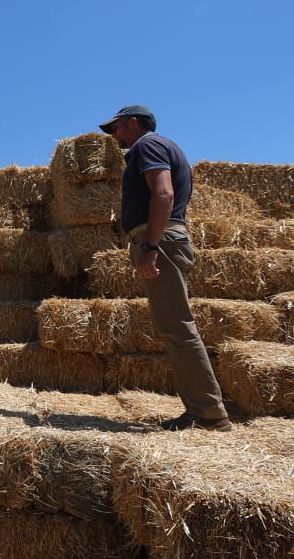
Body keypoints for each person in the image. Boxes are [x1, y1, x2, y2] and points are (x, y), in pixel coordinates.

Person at [98, 104, 232, 431]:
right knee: (172, 327)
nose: (113, 136)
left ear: (133, 123)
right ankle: (200, 409)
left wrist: (151, 246)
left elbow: (163, 194)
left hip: (161, 240)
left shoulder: (148, 145)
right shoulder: (159, 146)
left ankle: (210, 415)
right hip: (163, 238)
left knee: (177, 327)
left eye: (115, 128)